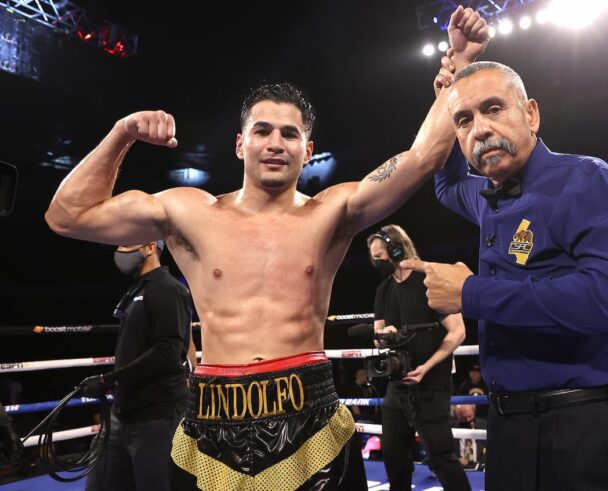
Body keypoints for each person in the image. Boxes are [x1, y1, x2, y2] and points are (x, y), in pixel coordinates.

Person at [44, 7, 489, 489]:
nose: (275, 143)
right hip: (210, 429)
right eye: (263, 131)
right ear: (240, 144)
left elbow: (424, 157)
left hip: (312, 422)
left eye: (289, 134)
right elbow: (67, 215)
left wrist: (460, 66)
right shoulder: (189, 213)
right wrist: (122, 133)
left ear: (307, 149)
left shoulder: (331, 213)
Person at [401, 51, 608, 489]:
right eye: (464, 121)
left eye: (493, 109)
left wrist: (471, 294)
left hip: (588, 427)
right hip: (511, 430)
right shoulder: (487, 196)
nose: (480, 128)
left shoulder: (587, 180)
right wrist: (446, 91)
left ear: (531, 114)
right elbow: (443, 182)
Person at [81, 240, 193, 491]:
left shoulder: (166, 289)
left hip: (155, 415)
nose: (120, 251)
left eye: (127, 243)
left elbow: (167, 352)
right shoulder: (137, 291)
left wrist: (108, 380)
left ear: (151, 247)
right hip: (122, 412)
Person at [368, 225, 470, 491]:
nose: (376, 262)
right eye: (373, 258)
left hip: (430, 384)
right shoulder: (383, 290)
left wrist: (427, 366)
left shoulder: (429, 281)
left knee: (441, 457)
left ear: (396, 249)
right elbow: (376, 335)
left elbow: (458, 331)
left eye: (380, 255)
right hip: (397, 385)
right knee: (395, 459)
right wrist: (383, 335)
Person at [451, 404, 486, 470]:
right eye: (463, 418)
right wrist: (456, 460)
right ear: (456, 416)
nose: (467, 420)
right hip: (458, 470)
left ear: (474, 412)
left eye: (470, 416)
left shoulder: (485, 427)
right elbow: (444, 451)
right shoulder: (450, 429)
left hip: (481, 469)